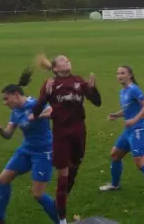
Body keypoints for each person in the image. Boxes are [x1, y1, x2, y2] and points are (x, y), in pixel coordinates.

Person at [31, 55, 102, 224]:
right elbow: (35, 112)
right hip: (61, 133)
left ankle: (61, 198)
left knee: (74, 167)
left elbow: (97, 102)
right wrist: (45, 96)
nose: (67, 61)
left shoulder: (78, 81)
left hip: (79, 131)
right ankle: (62, 219)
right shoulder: (50, 84)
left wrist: (93, 89)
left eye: (68, 59)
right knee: (63, 173)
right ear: (55, 68)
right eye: (62, 60)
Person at [0, 68, 59, 224]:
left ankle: (61, 221)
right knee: (3, 179)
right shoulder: (16, 111)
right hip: (26, 150)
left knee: (38, 194)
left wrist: (37, 115)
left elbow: (52, 111)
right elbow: (8, 134)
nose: (5, 103)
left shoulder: (35, 104)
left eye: (6, 99)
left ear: (16, 95)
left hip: (43, 152)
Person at [99, 66, 144, 201]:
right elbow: (128, 109)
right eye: (117, 73)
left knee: (140, 162)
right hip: (129, 130)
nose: (119, 76)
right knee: (115, 155)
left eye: (122, 73)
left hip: (139, 130)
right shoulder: (123, 91)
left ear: (130, 75)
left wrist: (135, 119)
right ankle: (115, 185)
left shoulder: (134, 89)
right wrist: (116, 115)